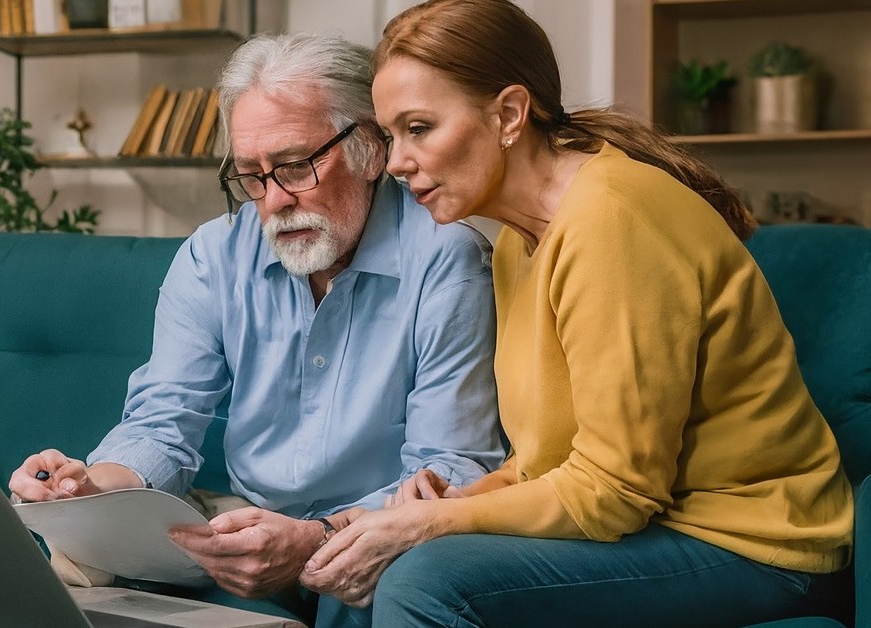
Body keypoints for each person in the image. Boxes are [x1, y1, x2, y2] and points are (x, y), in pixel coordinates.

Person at [298, 1, 854, 626]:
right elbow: (556, 463)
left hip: (755, 545)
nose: (397, 162)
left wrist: (434, 524)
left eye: (419, 128)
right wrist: (427, 510)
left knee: (425, 581)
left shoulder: (610, 220)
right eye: (390, 135)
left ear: (509, 114)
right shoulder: (517, 241)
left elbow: (616, 492)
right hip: (654, 524)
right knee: (370, 562)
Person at [9, 31, 504, 627]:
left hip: (375, 532)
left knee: (375, 575)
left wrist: (314, 539)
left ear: (370, 149)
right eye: (250, 175)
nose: (272, 201)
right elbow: (162, 423)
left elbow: (450, 467)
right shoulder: (214, 254)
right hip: (248, 521)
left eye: (295, 166)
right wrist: (89, 492)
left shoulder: (448, 260)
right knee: (88, 566)